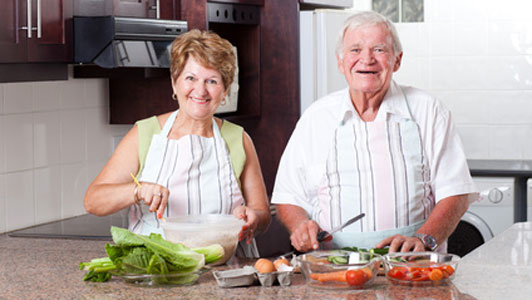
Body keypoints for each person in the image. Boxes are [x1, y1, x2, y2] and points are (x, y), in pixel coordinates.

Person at [271, 11, 477, 253]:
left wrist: (424, 239)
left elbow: (456, 193)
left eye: (379, 49)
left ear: (397, 60)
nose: (366, 59)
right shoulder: (316, 117)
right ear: (340, 62)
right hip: (335, 271)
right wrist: (300, 225)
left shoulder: (428, 110)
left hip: (412, 267)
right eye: (355, 50)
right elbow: (289, 196)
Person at [84, 29, 271, 257]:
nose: (200, 90)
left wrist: (253, 218)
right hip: (158, 269)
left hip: (226, 273)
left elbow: (262, 214)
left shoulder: (238, 139)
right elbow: (93, 201)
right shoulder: (145, 133)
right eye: (190, 78)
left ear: (224, 90)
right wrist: (138, 191)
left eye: (211, 81)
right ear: (175, 83)